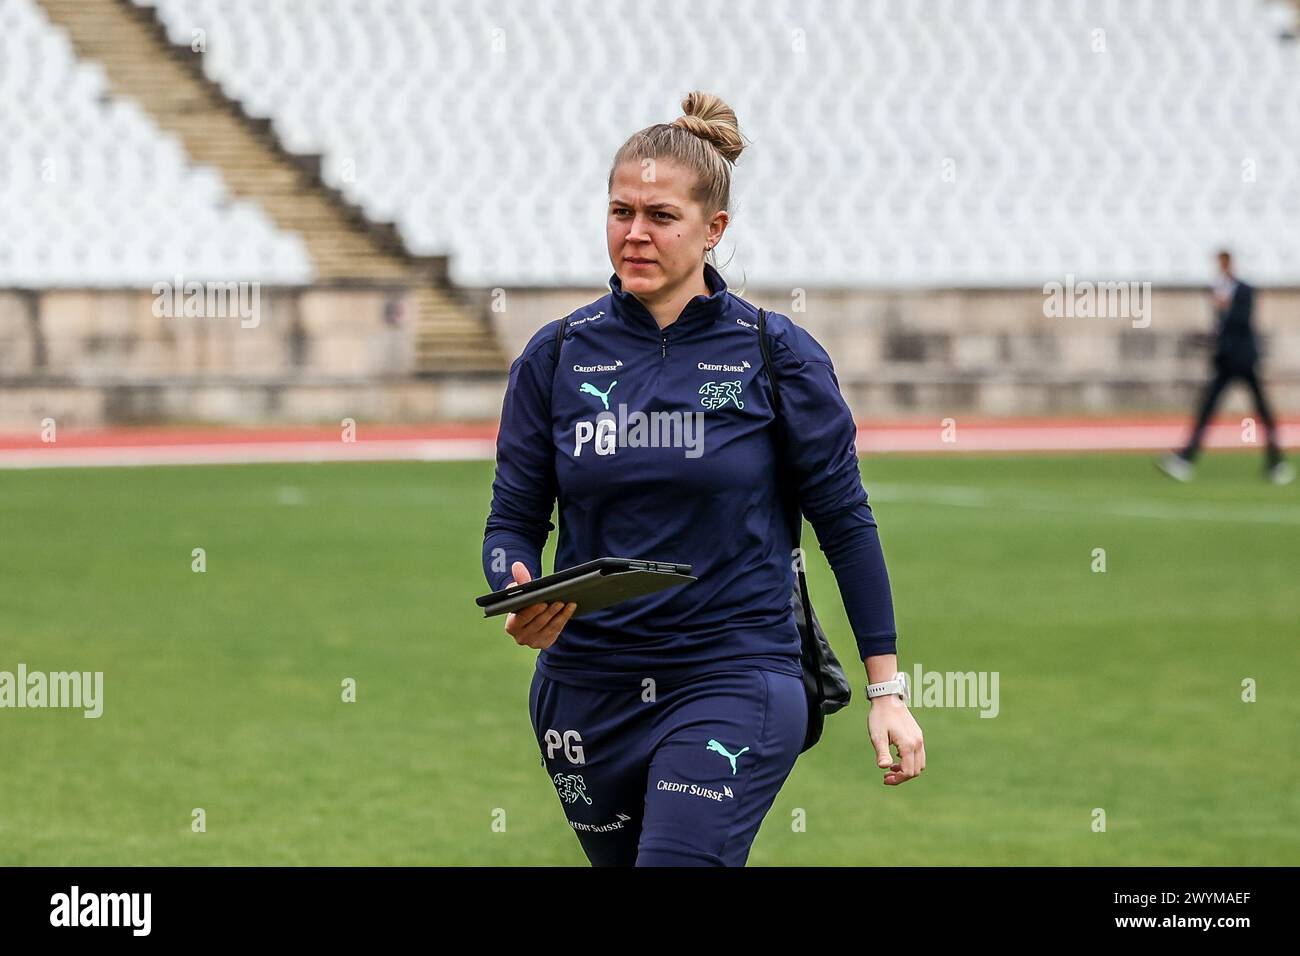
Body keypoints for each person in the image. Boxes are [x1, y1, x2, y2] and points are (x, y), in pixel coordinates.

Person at [481, 91, 924, 867]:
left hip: (734, 673)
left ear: (714, 230)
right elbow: (512, 522)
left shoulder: (775, 354)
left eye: (660, 216)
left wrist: (887, 690)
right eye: (621, 212)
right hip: (585, 690)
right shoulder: (554, 358)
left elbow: (846, 522)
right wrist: (518, 585)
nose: (635, 233)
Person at [1158, 250, 1293, 484]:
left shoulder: (1243, 290)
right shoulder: (1219, 293)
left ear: (1229, 264)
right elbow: (1222, 331)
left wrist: (1224, 307)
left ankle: (1277, 463)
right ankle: (1184, 460)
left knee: (1262, 413)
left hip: (1244, 361)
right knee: (1207, 411)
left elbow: (1241, 322)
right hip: (1225, 362)